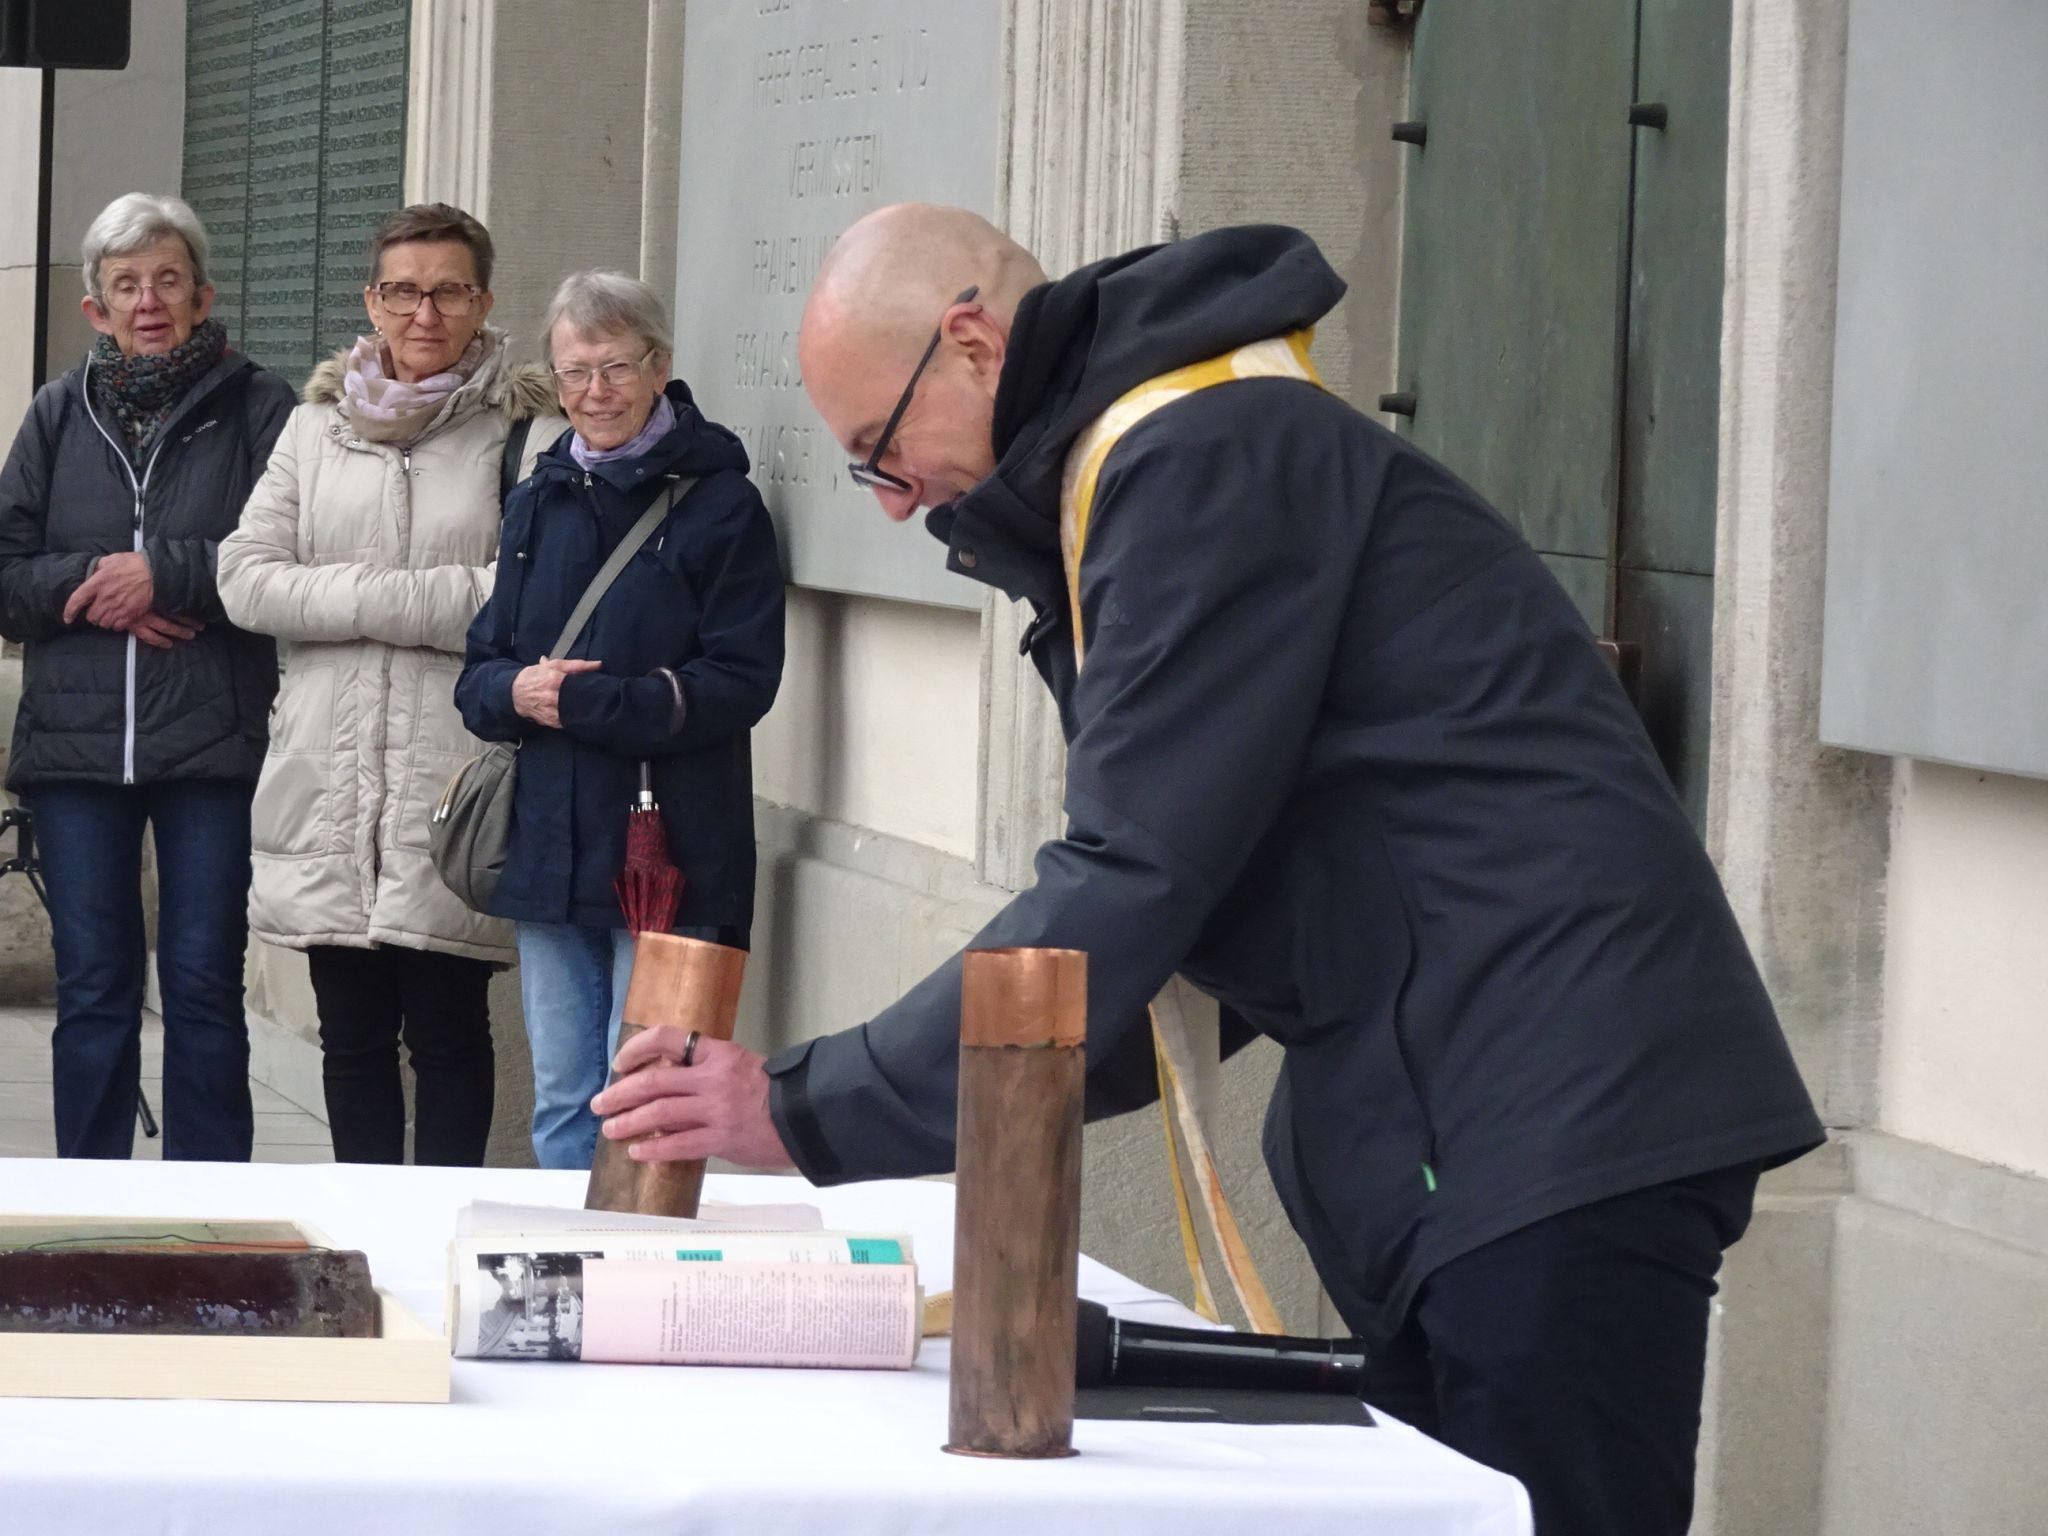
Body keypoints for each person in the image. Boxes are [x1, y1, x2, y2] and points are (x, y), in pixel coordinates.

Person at [591, 204, 1825, 1536]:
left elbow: (1134, 877)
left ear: (969, 341)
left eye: (881, 452)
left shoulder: (1199, 455)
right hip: (1490, 1118)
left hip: (1552, 1118)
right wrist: (854, 1103)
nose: (892, 504)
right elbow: (1167, 946)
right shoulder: (1167, 458)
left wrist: (811, 1106)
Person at [218, 203, 560, 1167]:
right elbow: (245, 577)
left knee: (448, 1030)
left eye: (448, 290)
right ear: (372, 301)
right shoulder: (312, 428)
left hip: (451, 771)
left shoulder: (523, 434)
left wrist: (344, 596)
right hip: (326, 772)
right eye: (403, 290)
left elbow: (525, 600)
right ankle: (362, 1231)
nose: (425, 312)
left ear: (483, 301)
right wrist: (413, 600)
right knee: (351, 1033)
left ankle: (444, 1234)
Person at [455, 270, 783, 1171]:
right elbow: (480, 670)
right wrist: (516, 693)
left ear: (659, 365)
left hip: (669, 852)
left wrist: (591, 702)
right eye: (572, 374)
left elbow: (743, 681)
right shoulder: (537, 495)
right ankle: (571, 1281)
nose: (593, 394)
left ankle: (640, 1287)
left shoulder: (723, 506)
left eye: (613, 369)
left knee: (641, 1100)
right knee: (566, 1097)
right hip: (550, 845)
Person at [0, 193, 295, 1161]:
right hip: (77, 752)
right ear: (96, 309)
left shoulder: (262, 407)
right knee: (94, 988)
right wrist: (93, 582)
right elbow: (4, 575)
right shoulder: (55, 412)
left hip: (211, 739)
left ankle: (211, 1209)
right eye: (127, 284)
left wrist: (164, 574)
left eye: (168, 278)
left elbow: (287, 554)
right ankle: (91, 1205)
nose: (149, 300)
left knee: (205, 984)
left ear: (203, 294)